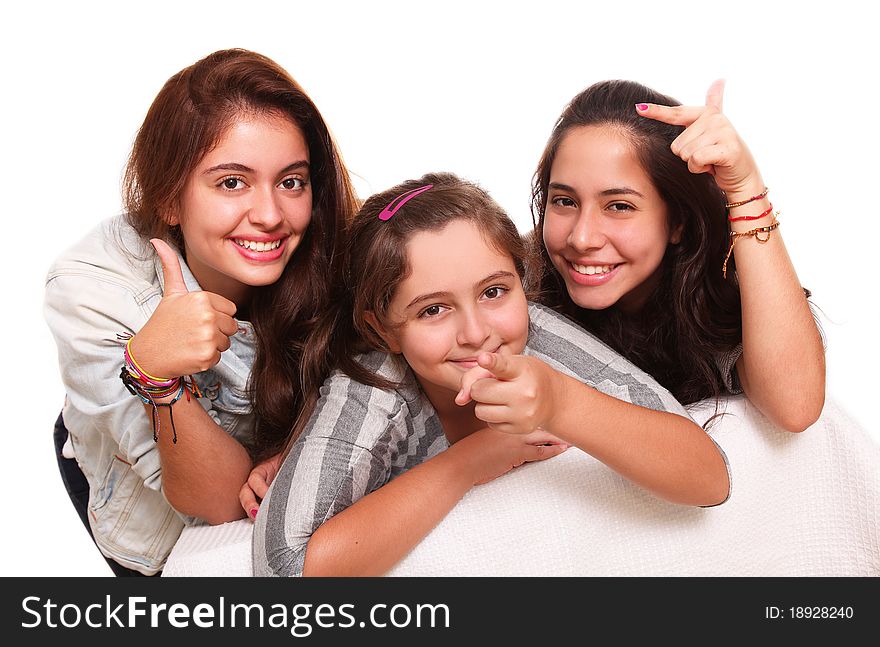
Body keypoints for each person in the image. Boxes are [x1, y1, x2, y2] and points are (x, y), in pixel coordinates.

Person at [252, 173, 730, 577]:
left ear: (522, 282)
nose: (477, 332)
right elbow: (285, 565)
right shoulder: (376, 380)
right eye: (434, 309)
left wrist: (562, 404)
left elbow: (709, 477)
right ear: (383, 329)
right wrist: (470, 463)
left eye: (495, 292)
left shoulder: (539, 336)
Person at [44, 49, 358, 576]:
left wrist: (300, 456)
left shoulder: (333, 258)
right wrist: (154, 373)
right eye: (232, 182)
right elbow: (217, 504)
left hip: (260, 442)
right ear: (169, 198)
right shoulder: (91, 291)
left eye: (291, 181)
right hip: (133, 481)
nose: (270, 216)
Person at [530, 80, 825, 433]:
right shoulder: (510, 281)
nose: (581, 237)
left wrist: (745, 186)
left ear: (678, 222)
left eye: (619, 206)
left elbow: (796, 407)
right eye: (564, 201)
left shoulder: (714, 299)